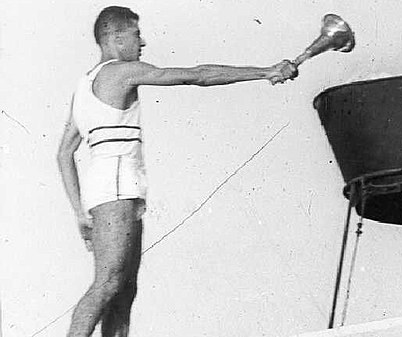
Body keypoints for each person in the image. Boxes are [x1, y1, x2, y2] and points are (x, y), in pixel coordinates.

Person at [56, 6, 297, 337]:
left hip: (113, 190)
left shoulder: (84, 86)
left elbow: (64, 152)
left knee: (124, 290)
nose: (143, 43)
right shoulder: (119, 72)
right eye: (137, 35)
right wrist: (265, 71)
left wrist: (78, 212)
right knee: (109, 282)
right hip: (116, 188)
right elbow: (195, 75)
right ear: (115, 37)